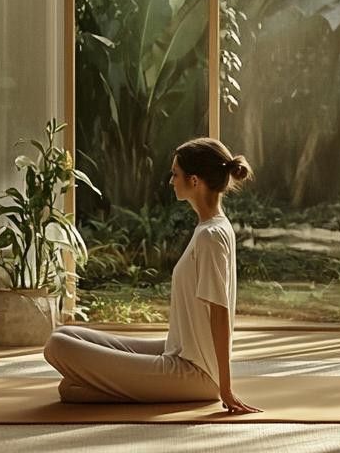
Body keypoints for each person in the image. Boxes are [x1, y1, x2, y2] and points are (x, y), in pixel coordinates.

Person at [43, 137, 261, 414]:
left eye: (175, 174)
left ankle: (153, 388)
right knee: (65, 335)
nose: (171, 181)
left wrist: (225, 388)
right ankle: (139, 388)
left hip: (194, 372)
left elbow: (220, 312)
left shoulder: (211, 236)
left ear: (194, 181)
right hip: (177, 352)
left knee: (57, 346)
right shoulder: (213, 227)